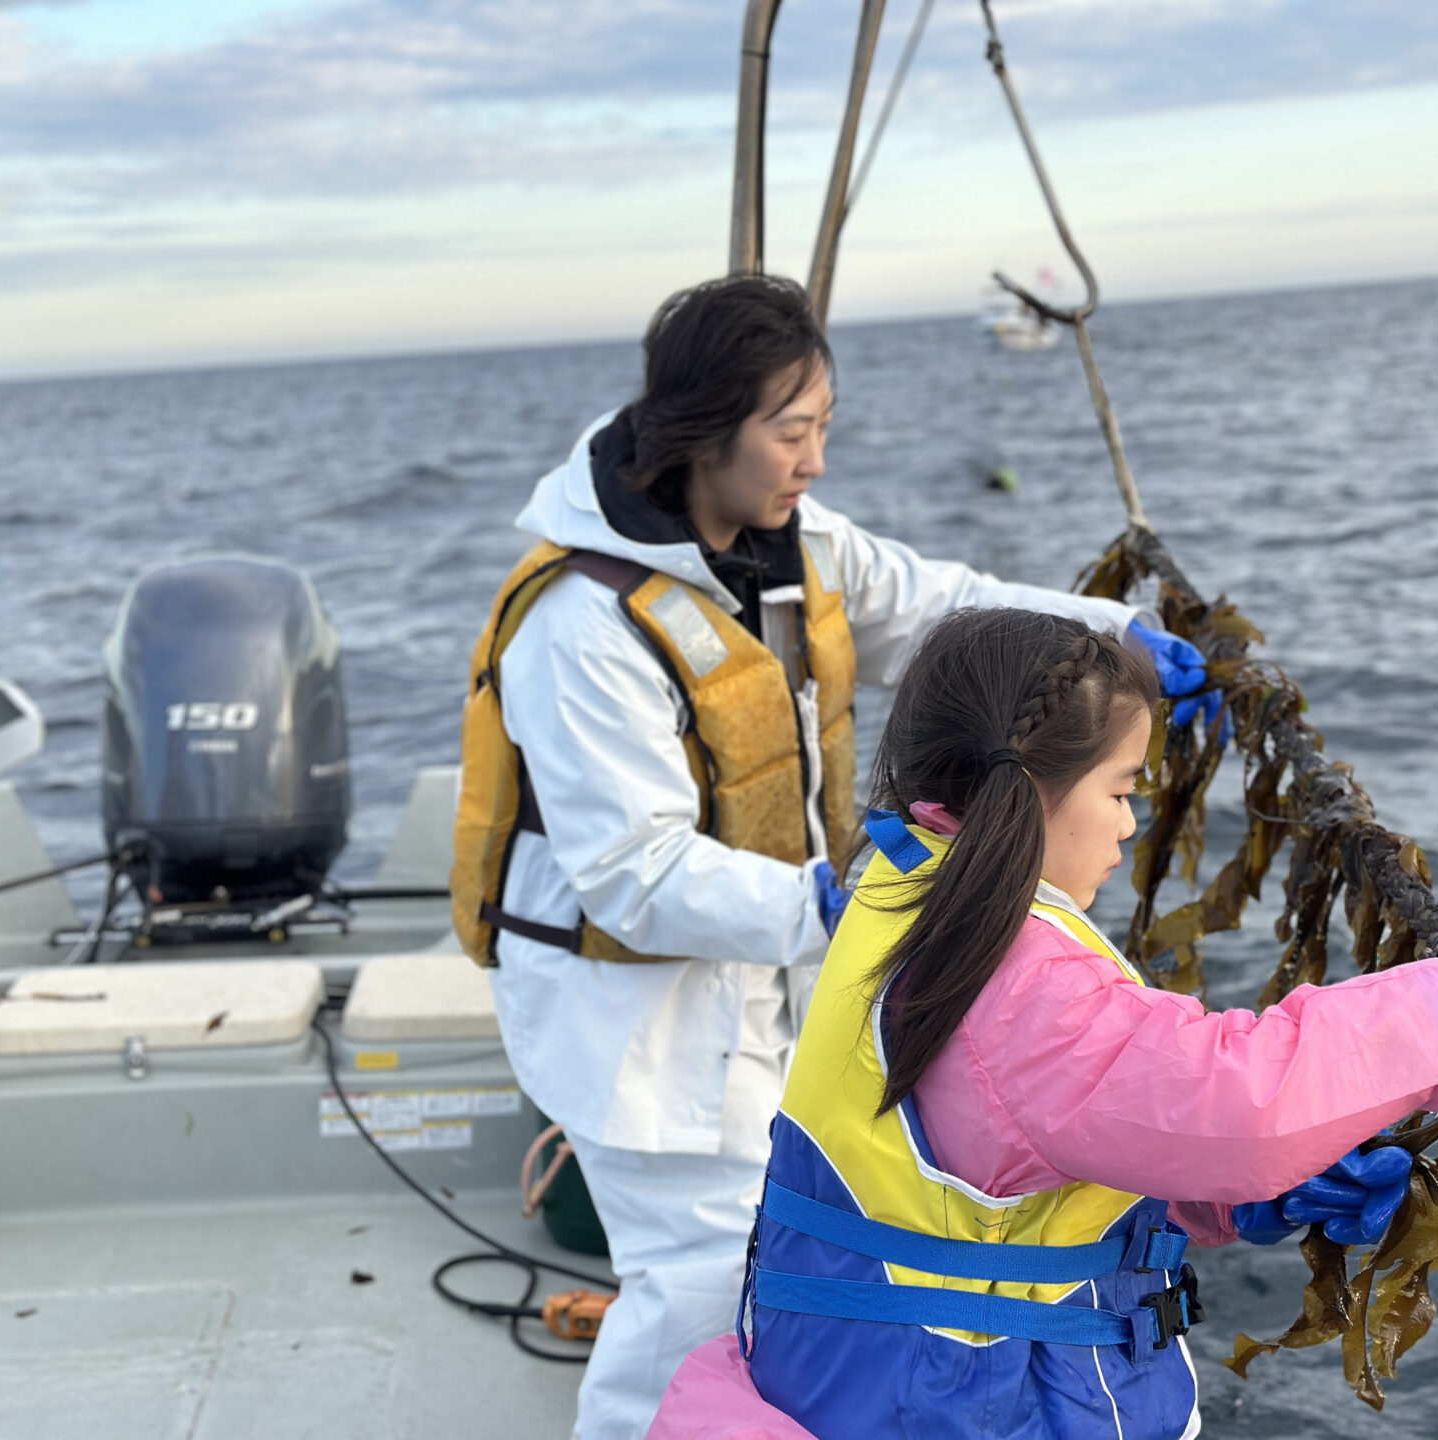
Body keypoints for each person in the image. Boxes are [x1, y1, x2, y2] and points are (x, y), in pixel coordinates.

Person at [452, 275, 1223, 1440]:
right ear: (706, 431)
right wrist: (830, 900)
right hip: (630, 1026)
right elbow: (632, 876)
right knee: (694, 1288)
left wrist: (1109, 639)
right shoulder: (579, 626)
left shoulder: (792, 546)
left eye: (824, 427)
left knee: (749, 1273)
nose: (814, 458)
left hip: (760, 992)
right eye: (791, 430)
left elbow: (944, 604)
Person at [644, 607, 1438, 1440]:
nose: (1129, 826)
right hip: (973, 1411)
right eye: (1121, 791)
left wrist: (1222, 1200)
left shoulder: (903, 886)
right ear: (1027, 794)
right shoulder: (1020, 982)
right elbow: (1237, 1106)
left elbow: (1000, 1154)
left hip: (862, 1388)